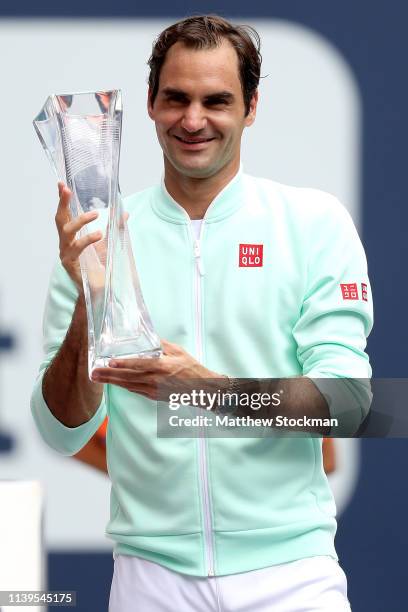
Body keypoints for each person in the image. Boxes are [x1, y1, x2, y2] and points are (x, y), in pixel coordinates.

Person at [31, 15, 372, 611]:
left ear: (252, 107)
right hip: (150, 577)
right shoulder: (98, 236)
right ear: (149, 105)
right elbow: (61, 430)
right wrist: (92, 291)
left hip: (291, 576)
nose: (193, 120)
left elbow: (348, 402)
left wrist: (204, 390)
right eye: (176, 99)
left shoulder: (313, 224)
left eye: (216, 101)